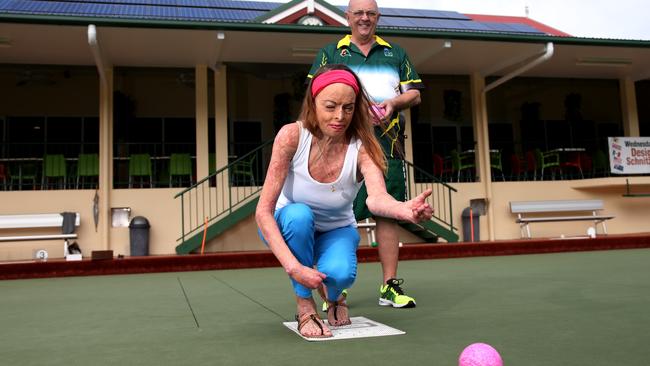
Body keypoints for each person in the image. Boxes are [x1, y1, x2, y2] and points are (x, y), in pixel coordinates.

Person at [256, 64, 432, 338]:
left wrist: (404, 210)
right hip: (287, 224)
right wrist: (295, 267)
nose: (340, 116)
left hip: (335, 228)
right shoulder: (291, 136)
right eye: (330, 106)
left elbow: (377, 198)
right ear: (314, 104)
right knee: (299, 216)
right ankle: (305, 306)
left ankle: (335, 297)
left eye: (348, 108)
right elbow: (263, 212)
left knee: (340, 275)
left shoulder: (363, 146)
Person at [308, 0, 424, 309]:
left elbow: (414, 92)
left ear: (377, 18)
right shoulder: (331, 53)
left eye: (370, 13)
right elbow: (315, 94)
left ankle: (389, 286)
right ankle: (334, 289)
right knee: (335, 214)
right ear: (347, 17)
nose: (364, 18)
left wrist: (394, 103)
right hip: (340, 146)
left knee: (386, 214)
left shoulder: (395, 53)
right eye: (358, 13)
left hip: (388, 146)